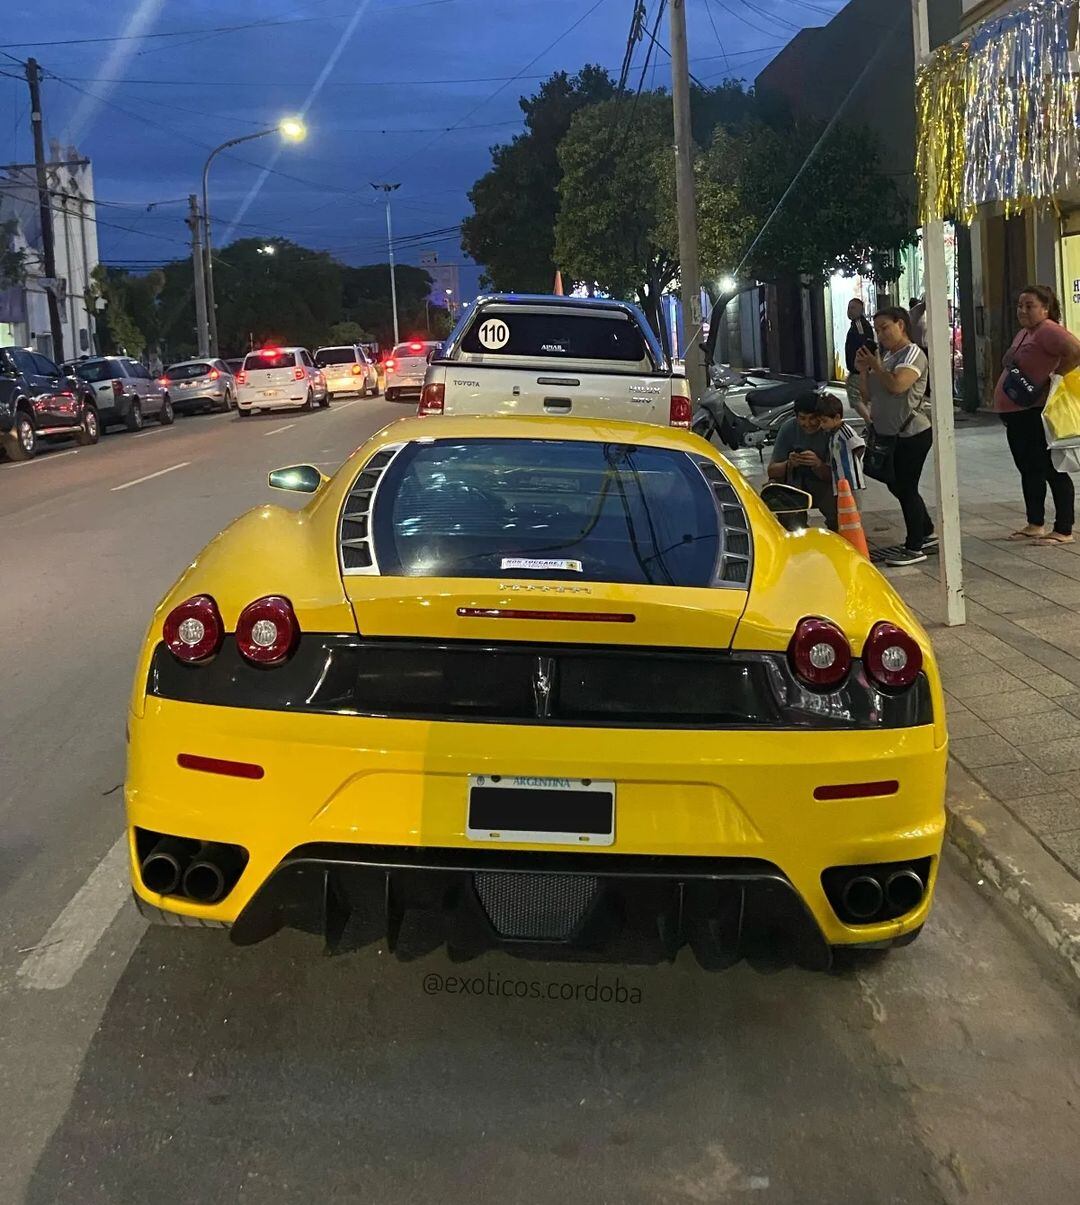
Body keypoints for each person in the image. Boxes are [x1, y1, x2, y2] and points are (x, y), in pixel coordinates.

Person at [994, 285, 1080, 546]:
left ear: (1045, 308)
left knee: (1050, 467)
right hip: (1016, 413)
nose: (1023, 310)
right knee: (1028, 468)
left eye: (1029, 305)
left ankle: (1064, 528)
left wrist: (1051, 379)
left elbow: (1076, 351)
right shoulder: (1025, 333)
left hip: (1034, 412)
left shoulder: (1049, 330)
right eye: (1020, 305)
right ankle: (1035, 523)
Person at [853, 306, 935, 566]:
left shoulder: (913, 354)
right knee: (896, 484)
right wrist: (864, 370)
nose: (880, 335)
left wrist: (876, 365)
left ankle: (914, 546)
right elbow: (868, 396)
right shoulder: (887, 356)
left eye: (885, 328)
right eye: (877, 330)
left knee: (906, 486)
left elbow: (898, 386)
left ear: (901, 325)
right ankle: (926, 530)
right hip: (888, 435)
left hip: (912, 433)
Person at [767, 392, 837, 530]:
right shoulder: (788, 428)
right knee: (778, 498)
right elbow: (772, 470)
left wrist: (818, 464)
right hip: (795, 483)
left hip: (823, 483)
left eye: (813, 418)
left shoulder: (831, 431)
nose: (807, 423)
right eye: (802, 418)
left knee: (839, 513)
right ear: (796, 416)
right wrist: (789, 464)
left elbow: (840, 476)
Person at [815, 392, 865, 494]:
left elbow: (860, 447)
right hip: (840, 482)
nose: (821, 425)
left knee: (854, 508)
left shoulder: (845, 432)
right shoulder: (833, 434)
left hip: (852, 483)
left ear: (837, 417)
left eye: (824, 421)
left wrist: (856, 466)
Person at [844, 299, 876, 412]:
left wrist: (861, 367)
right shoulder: (855, 325)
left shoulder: (859, 325)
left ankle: (870, 422)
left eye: (853, 308)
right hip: (856, 369)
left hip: (860, 369)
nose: (850, 311)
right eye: (849, 308)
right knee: (858, 398)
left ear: (861, 310)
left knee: (858, 398)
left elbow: (865, 344)